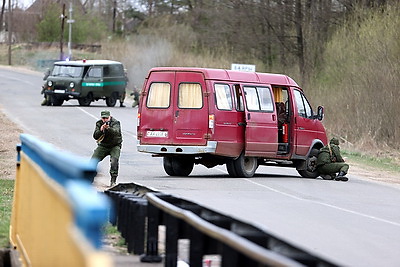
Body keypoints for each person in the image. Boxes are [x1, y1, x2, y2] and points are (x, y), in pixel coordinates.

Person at [91, 110, 123, 186]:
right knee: (93, 161)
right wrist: (101, 130)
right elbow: (95, 136)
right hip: (103, 145)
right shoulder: (99, 123)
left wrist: (108, 128)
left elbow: (116, 132)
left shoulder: (115, 123)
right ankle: (90, 179)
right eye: (103, 118)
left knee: (114, 162)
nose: (105, 120)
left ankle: (113, 181)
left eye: (106, 118)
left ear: (110, 117)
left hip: (114, 145)